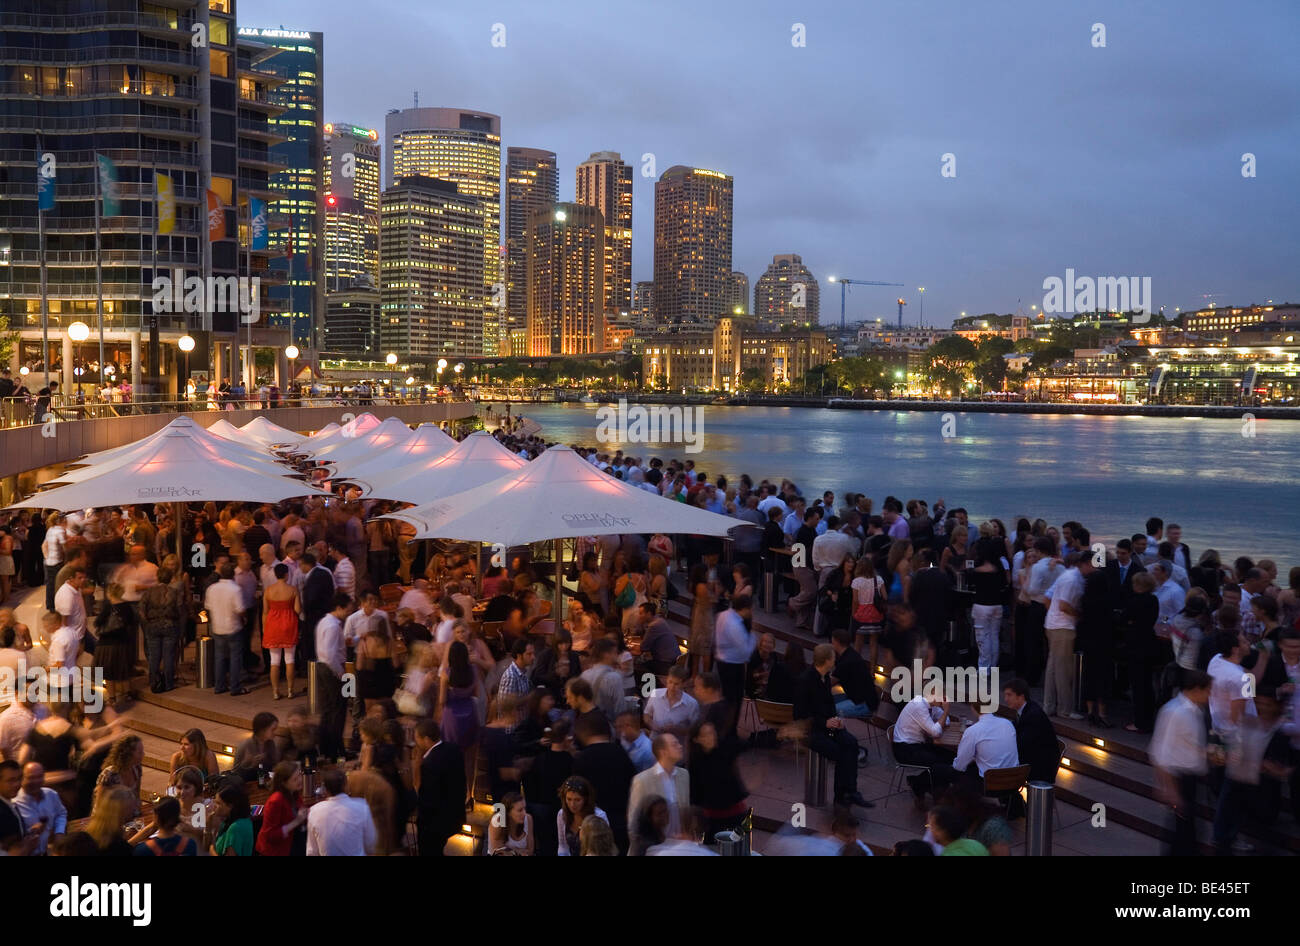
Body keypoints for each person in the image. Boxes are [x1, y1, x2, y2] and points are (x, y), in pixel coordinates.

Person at [794, 644, 871, 808]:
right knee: (840, 753)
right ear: (827, 660)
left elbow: (829, 705)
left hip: (828, 726)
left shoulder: (826, 677)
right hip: (811, 730)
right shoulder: (805, 680)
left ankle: (851, 791)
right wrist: (824, 722)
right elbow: (799, 714)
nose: (836, 660)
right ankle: (841, 798)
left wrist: (836, 719)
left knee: (851, 743)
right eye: (833, 657)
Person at [1150, 670, 1212, 856]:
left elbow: (1189, 744)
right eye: (1208, 690)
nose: (1211, 695)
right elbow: (1161, 753)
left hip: (1192, 779)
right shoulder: (1174, 712)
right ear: (1196, 689)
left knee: (1187, 832)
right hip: (1179, 780)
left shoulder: (1196, 710)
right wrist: (1170, 789)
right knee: (1181, 835)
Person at [573, 713, 636, 852]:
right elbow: (633, 786)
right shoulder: (620, 753)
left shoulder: (582, 759)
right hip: (621, 822)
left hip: (593, 825)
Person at [1042, 550, 1089, 720]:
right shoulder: (1073, 580)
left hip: (1053, 624)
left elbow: (1047, 598)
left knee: (1053, 667)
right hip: (1063, 627)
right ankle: (1065, 709)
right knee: (1063, 670)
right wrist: (1080, 614)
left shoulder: (1067, 576)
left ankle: (1049, 705)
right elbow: (1063, 605)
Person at [627, 734, 688, 855]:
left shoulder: (684, 775)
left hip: (679, 846)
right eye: (674, 744)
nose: (680, 746)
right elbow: (634, 821)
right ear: (663, 752)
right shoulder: (642, 780)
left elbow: (685, 811)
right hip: (652, 848)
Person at [688, 719, 748, 839]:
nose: (712, 737)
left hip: (735, 814)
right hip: (711, 819)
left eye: (712, 732)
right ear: (696, 739)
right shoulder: (694, 763)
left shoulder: (726, 750)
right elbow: (695, 794)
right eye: (706, 734)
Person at [415, 717, 465, 857]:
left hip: (434, 825)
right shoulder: (453, 749)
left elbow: (428, 799)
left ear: (425, 739)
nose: (416, 742)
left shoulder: (429, 764)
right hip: (454, 816)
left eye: (417, 738)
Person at [713, 593, 757, 736]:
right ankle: (729, 732)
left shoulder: (723, 615)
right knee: (734, 701)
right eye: (750, 609)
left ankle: (726, 729)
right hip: (733, 665)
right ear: (744, 609)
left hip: (722, 660)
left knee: (727, 698)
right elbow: (745, 652)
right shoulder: (735, 625)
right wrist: (753, 638)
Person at [306, 766, 376, 856]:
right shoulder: (362, 807)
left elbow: (312, 852)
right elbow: (371, 845)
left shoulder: (314, 811)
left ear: (325, 790)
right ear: (346, 786)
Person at [1001, 678, 1059, 783]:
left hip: (1040, 767)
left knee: (1000, 769)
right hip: (1033, 758)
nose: (1005, 699)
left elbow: (1022, 744)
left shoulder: (1032, 715)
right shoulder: (1025, 709)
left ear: (1021, 697)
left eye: (1009, 695)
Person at [139, 565, 184, 693]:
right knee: (168, 655)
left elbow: (141, 610)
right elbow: (180, 610)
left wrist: (147, 623)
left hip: (153, 626)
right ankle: (169, 683)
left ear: (158, 577)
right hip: (170, 625)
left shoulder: (149, 592)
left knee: (154, 656)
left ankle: (154, 682)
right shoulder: (174, 593)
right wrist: (181, 627)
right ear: (170, 578)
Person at [204, 562, 247, 696]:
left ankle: (219, 685)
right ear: (233, 574)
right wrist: (245, 618)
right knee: (235, 658)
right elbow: (240, 609)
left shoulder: (211, 588)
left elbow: (208, 607)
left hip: (217, 627)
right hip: (233, 627)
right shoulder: (236, 589)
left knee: (219, 657)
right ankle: (235, 687)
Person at [93, 583, 136, 711]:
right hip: (122, 643)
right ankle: (127, 693)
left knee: (108, 673)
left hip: (106, 644)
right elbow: (131, 623)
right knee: (123, 670)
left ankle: (112, 697)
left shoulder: (108, 607)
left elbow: (97, 622)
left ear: (109, 593)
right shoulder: (127, 607)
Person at [261, 562, 300, 700]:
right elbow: (298, 610)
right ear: (286, 574)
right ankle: (290, 690)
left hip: (272, 624)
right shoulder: (293, 590)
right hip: (289, 623)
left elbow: (265, 612)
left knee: (274, 661)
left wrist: (265, 628)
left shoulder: (268, 591)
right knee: (290, 659)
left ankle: (275, 691)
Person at [256, 760, 307, 856]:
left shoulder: (294, 794)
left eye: (299, 775)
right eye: (295, 779)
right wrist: (296, 821)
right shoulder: (276, 801)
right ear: (284, 783)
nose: (300, 780)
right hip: (275, 851)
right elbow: (270, 835)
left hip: (290, 845)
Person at [14, 761, 66, 855]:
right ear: (21, 778)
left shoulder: (51, 794)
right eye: (31, 777)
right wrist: (30, 832)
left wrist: (59, 832)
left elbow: (61, 814)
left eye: (40, 777)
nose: (36, 781)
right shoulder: (14, 803)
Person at [830, 628, 877, 720]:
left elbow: (829, 682)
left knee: (827, 709)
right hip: (858, 697)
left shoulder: (846, 662)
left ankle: (836, 733)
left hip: (864, 704)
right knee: (826, 702)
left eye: (832, 642)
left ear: (836, 642)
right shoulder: (850, 653)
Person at [132, 797, 198, 857]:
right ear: (178, 818)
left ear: (156, 817)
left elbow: (125, 848)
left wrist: (152, 826)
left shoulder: (142, 850)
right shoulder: (190, 845)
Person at [85, 785, 136, 856]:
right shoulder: (119, 846)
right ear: (119, 813)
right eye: (131, 808)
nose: (135, 811)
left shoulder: (88, 835)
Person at [210, 785, 254, 856]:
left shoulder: (235, 828)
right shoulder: (244, 820)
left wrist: (210, 849)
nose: (214, 806)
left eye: (218, 803)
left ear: (230, 806)